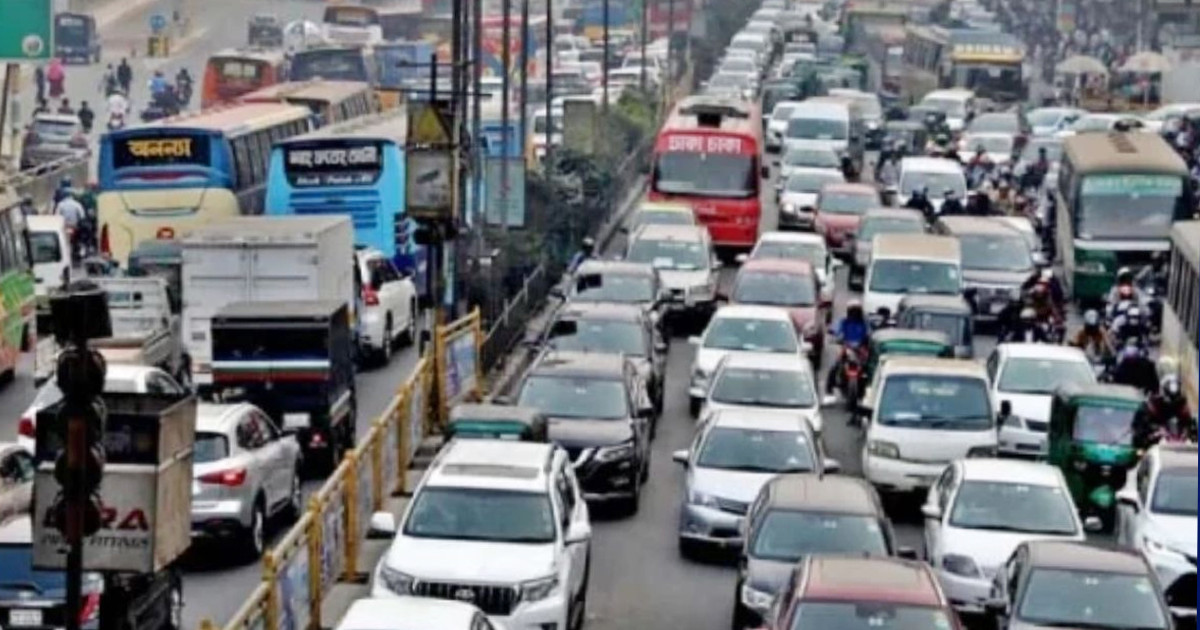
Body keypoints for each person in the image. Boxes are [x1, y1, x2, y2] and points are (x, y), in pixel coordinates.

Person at [1135, 376, 1197, 447]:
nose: (1172, 406)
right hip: (1152, 445)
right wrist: (1154, 432)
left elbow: (1191, 426)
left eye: (1176, 401)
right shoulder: (1150, 407)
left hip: (1178, 443)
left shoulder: (1182, 407)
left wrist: (1189, 433)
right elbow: (1138, 433)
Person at [825, 300, 870, 396]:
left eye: (856, 310)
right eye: (852, 310)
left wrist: (867, 340)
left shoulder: (864, 322)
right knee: (835, 365)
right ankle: (829, 388)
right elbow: (836, 330)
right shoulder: (844, 321)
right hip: (847, 347)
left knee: (869, 367)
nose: (854, 313)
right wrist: (834, 336)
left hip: (860, 349)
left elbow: (869, 332)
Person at [55, 192, 86, 260]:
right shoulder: (77, 204)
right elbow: (82, 216)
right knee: (80, 239)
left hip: (64, 226)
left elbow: (56, 216)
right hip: (74, 226)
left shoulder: (60, 204)